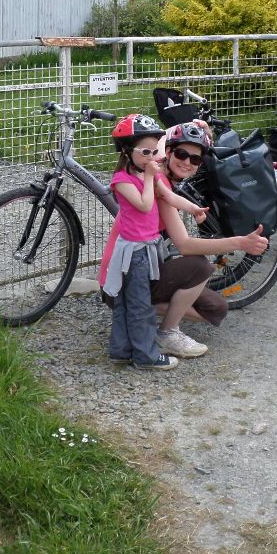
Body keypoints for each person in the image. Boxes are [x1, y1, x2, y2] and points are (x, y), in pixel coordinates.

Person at [101, 119, 271, 363]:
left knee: (216, 308)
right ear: (167, 152)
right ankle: (163, 334)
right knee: (200, 265)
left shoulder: (161, 179)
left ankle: (139, 318)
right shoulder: (153, 182)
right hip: (125, 274)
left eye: (196, 159)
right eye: (181, 154)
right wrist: (240, 243)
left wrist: (200, 128)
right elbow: (185, 245)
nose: (187, 162)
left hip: (141, 265)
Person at [101, 113, 183, 371]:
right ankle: (145, 356)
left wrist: (195, 209)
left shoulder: (150, 174)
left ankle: (122, 351)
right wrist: (149, 177)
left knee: (130, 303)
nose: (152, 158)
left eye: (154, 151)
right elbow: (146, 205)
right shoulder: (122, 181)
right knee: (139, 306)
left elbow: (169, 197)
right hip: (133, 254)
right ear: (127, 152)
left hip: (145, 250)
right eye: (145, 152)